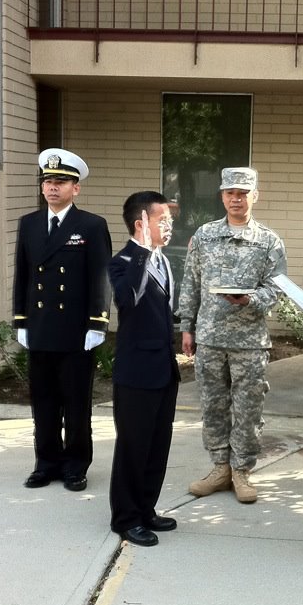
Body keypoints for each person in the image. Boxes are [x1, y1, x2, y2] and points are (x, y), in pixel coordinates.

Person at [179, 167, 287, 504]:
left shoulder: (269, 240)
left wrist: (251, 299)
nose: (236, 199)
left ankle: (242, 470)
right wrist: (187, 327)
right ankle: (219, 467)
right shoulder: (205, 235)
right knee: (212, 406)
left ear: (255, 195)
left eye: (243, 193)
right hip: (210, 336)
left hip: (250, 342)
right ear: (222, 196)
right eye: (230, 193)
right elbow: (191, 282)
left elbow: (277, 287)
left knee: (248, 408)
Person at [13, 148, 112, 492]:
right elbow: (22, 276)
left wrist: (98, 323)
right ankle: (46, 463)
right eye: (48, 182)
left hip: (74, 331)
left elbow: (100, 277)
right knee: (43, 401)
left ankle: (75, 465)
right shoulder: (29, 224)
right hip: (40, 328)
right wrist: (21, 321)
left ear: (76, 188)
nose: (52, 187)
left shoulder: (91, 225)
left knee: (75, 402)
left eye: (60, 182)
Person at [108, 192, 180, 547]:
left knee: (156, 446)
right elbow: (128, 299)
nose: (169, 226)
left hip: (163, 370)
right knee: (133, 447)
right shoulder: (123, 261)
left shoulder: (162, 261)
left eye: (170, 219)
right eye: (162, 219)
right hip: (136, 373)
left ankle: (145, 508)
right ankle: (125, 518)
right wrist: (141, 249)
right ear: (141, 223)